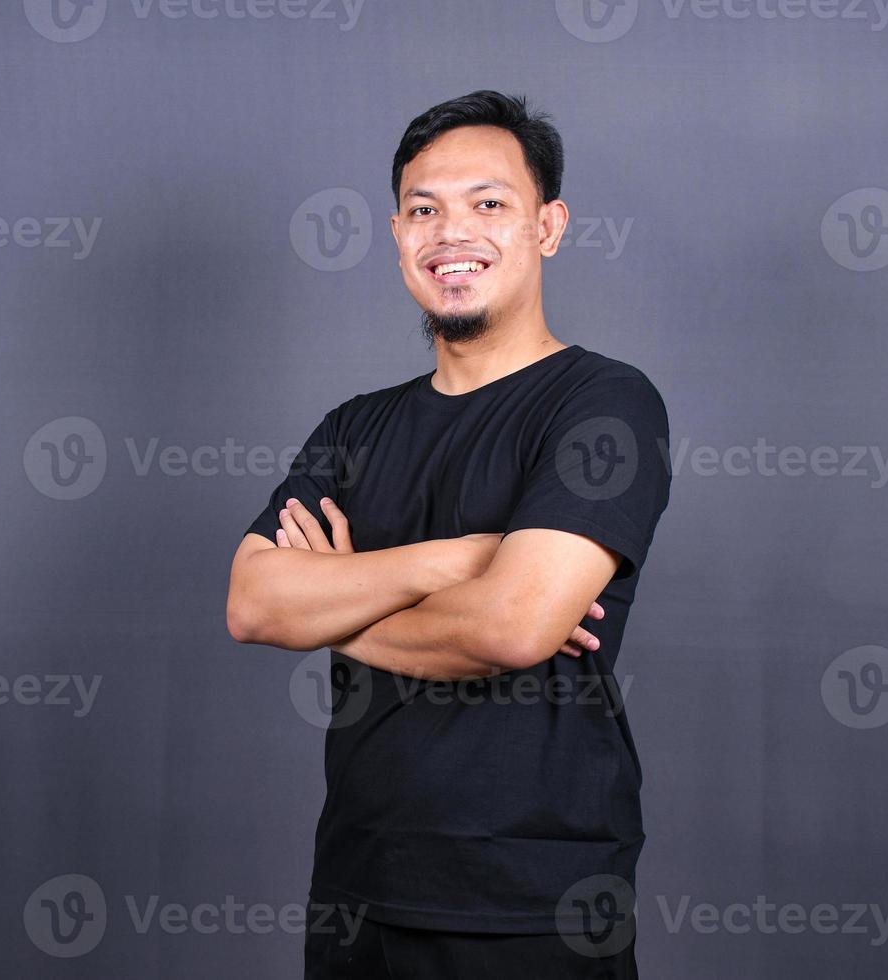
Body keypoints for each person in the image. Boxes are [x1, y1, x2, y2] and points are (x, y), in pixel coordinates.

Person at [226, 89, 671, 979]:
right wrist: (453, 561)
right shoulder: (354, 428)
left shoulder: (605, 406)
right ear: (396, 235)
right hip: (359, 889)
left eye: (488, 204)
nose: (449, 232)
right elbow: (253, 604)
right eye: (423, 210)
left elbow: (510, 628)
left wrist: (336, 596)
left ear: (548, 226)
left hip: (532, 896)